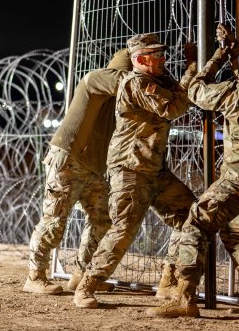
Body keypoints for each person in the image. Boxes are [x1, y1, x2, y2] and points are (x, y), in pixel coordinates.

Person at [146, 25, 239, 318]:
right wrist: (236, 57)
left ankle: (184, 297)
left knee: (195, 223)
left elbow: (195, 89)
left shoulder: (234, 95)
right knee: (237, 236)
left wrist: (217, 56)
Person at [73, 33, 198, 308]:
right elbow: (173, 106)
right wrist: (193, 70)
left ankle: (170, 281)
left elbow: (179, 92)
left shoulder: (157, 80)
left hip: (153, 167)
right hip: (131, 168)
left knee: (187, 214)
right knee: (124, 229)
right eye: (156, 56)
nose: (163, 59)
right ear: (140, 59)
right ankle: (86, 285)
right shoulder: (137, 83)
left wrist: (193, 66)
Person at [23, 48, 132, 294]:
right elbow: (121, 82)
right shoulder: (96, 79)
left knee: (102, 221)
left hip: (93, 167)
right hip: (68, 160)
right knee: (54, 221)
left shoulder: (121, 98)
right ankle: (35, 276)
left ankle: (82, 275)